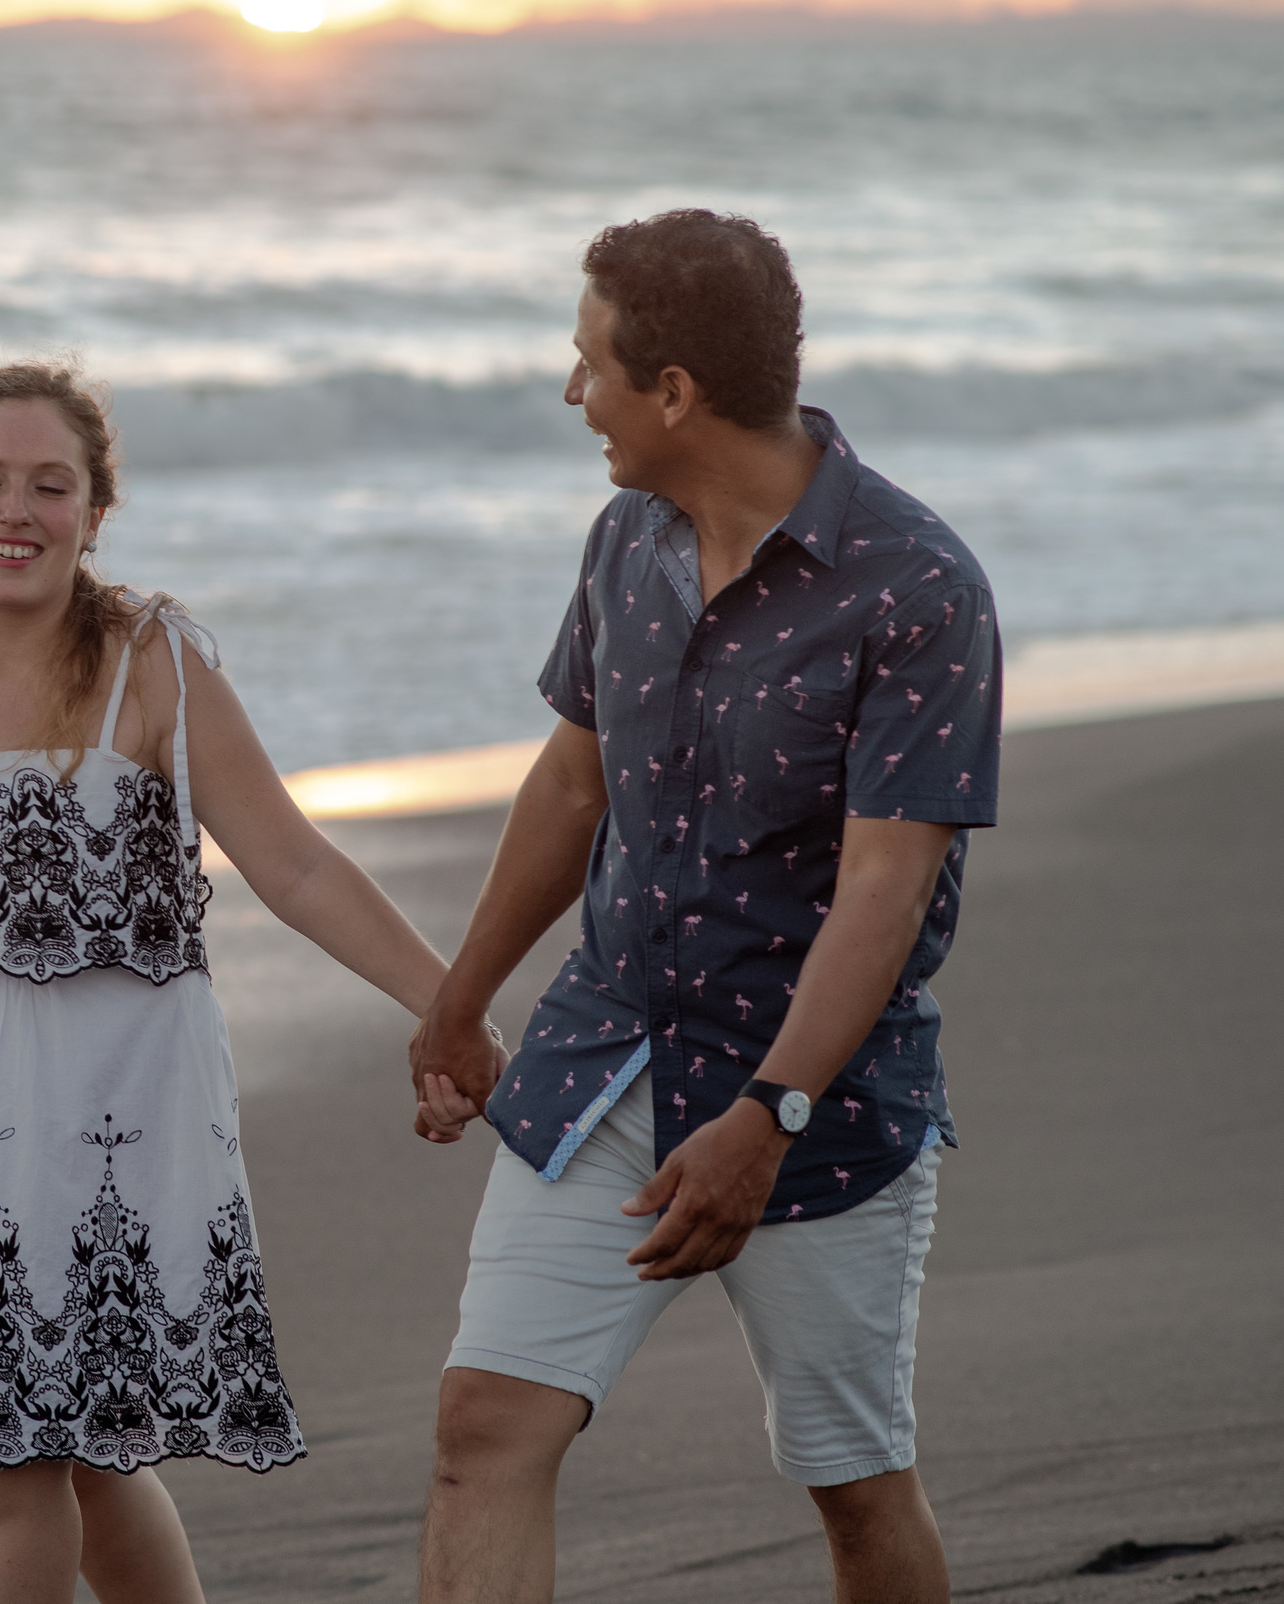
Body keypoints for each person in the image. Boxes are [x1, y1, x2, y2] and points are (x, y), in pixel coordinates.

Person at [0, 361, 463, 1604]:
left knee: (11, 1451)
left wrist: (451, 1005)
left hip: (126, 1098)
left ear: (95, 512)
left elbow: (294, 863)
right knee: (75, 1446)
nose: (12, 511)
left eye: (49, 485)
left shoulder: (153, 662)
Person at [408, 211, 1002, 1604]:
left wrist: (771, 1115)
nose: (573, 394)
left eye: (588, 362)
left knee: (854, 1484)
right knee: (481, 1427)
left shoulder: (917, 588)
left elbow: (885, 885)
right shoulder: (628, 539)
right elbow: (571, 786)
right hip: (605, 1050)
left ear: (672, 391)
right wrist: (459, 995)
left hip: (822, 1104)